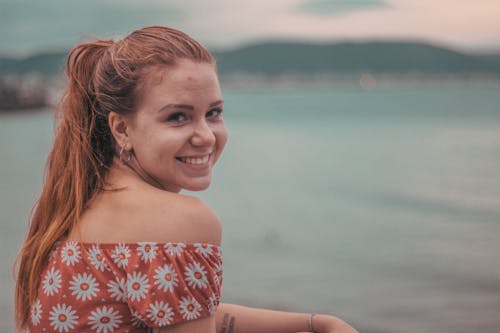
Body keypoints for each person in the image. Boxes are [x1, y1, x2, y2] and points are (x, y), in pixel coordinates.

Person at [14, 26, 358, 333]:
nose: (206, 136)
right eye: (178, 117)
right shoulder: (181, 220)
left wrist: (313, 324)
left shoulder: (81, 204)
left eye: (214, 113)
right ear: (121, 128)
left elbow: (179, 312)